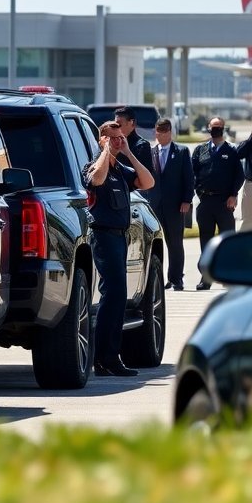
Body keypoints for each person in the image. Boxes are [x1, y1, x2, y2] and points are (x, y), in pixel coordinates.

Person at [83, 121, 155, 376]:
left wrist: (128, 152)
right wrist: (106, 150)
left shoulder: (121, 170)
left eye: (120, 137)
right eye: (113, 137)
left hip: (120, 236)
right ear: (102, 139)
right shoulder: (94, 166)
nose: (118, 141)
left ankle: (108, 358)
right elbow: (97, 179)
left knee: (117, 296)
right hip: (103, 236)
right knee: (113, 294)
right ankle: (105, 358)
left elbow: (148, 182)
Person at [190, 116, 244, 290]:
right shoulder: (200, 150)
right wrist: (198, 191)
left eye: (219, 127)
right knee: (206, 242)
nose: (216, 130)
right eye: (213, 127)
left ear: (223, 129)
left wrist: (233, 195)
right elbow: (192, 173)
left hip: (224, 202)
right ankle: (206, 278)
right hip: (205, 202)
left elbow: (239, 175)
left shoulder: (231, 151)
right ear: (208, 128)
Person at [143, 117, 195, 290]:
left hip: (175, 205)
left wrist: (187, 200)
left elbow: (189, 178)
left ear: (169, 132)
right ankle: (156, 279)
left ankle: (176, 278)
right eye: (157, 131)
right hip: (154, 205)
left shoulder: (181, 151)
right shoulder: (151, 152)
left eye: (163, 132)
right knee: (154, 243)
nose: (159, 135)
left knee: (175, 243)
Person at [113, 105, 156, 177]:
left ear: (131, 123)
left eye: (119, 125)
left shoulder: (142, 146)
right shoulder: (112, 144)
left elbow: (147, 176)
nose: (116, 128)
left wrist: (127, 153)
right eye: (115, 125)